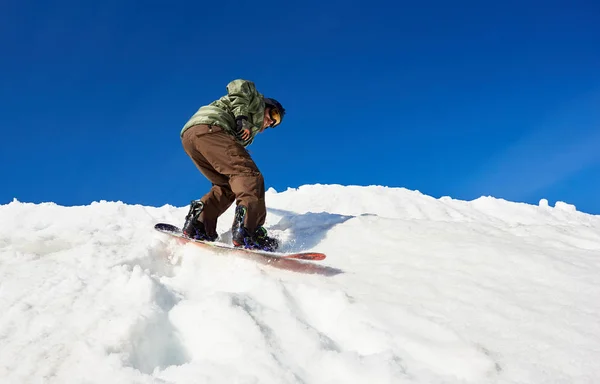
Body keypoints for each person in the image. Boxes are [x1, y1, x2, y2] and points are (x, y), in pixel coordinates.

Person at [179, 79, 285, 252]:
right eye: (274, 115)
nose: (271, 122)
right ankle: (249, 231)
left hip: (191, 137)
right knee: (249, 175)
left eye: (276, 122)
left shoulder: (245, 130)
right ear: (265, 106)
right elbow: (239, 85)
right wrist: (242, 116)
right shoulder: (253, 101)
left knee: (227, 185)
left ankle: (199, 224)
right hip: (211, 128)